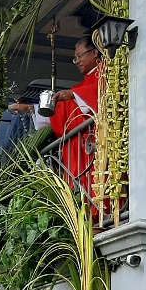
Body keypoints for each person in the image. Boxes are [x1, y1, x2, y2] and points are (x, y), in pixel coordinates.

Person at [10, 35, 101, 197]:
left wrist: (72, 94)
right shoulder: (83, 84)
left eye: (80, 56)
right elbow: (62, 111)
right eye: (75, 58)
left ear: (94, 53)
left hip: (93, 143)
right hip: (76, 147)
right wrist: (30, 108)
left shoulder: (104, 74)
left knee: (96, 186)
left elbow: (98, 94)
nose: (77, 61)